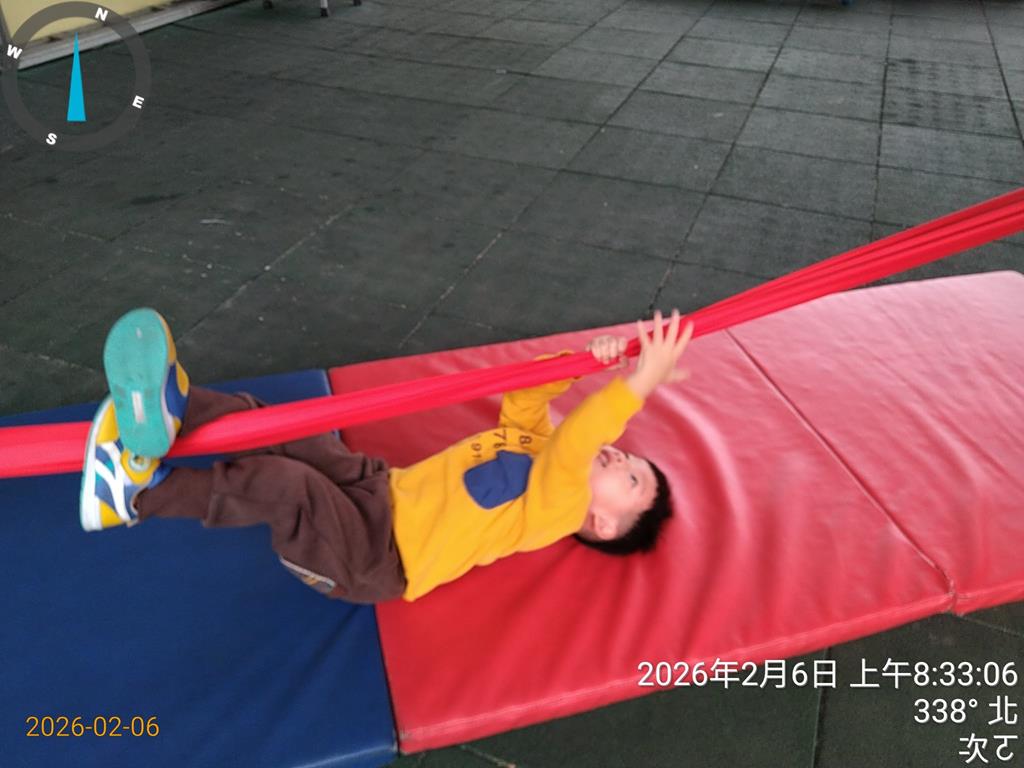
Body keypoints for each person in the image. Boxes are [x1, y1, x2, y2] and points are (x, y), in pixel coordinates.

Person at [80, 307, 694, 603]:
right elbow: (525, 394)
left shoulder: (556, 510)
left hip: (374, 559)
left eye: (632, 480)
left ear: (601, 522)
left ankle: (135, 496)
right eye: (629, 456)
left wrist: (638, 384)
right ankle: (178, 408)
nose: (621, 459)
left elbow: (581, 440)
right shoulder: (539, 444)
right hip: (378, 490)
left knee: (287, 485)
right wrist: (588, 361)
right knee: (291, 428)